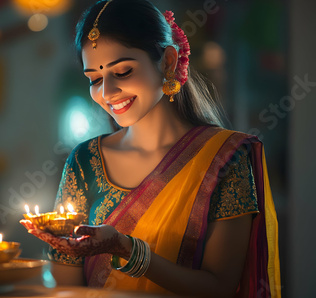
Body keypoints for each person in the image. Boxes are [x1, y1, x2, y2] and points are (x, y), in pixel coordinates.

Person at [20, 0, 281, 296]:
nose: (106, 93)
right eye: (94, 78)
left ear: (168, 62)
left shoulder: (225, 157)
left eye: (123, 71)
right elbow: (64, 286)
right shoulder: (84, 161)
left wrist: (125, 248)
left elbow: (219, 288)